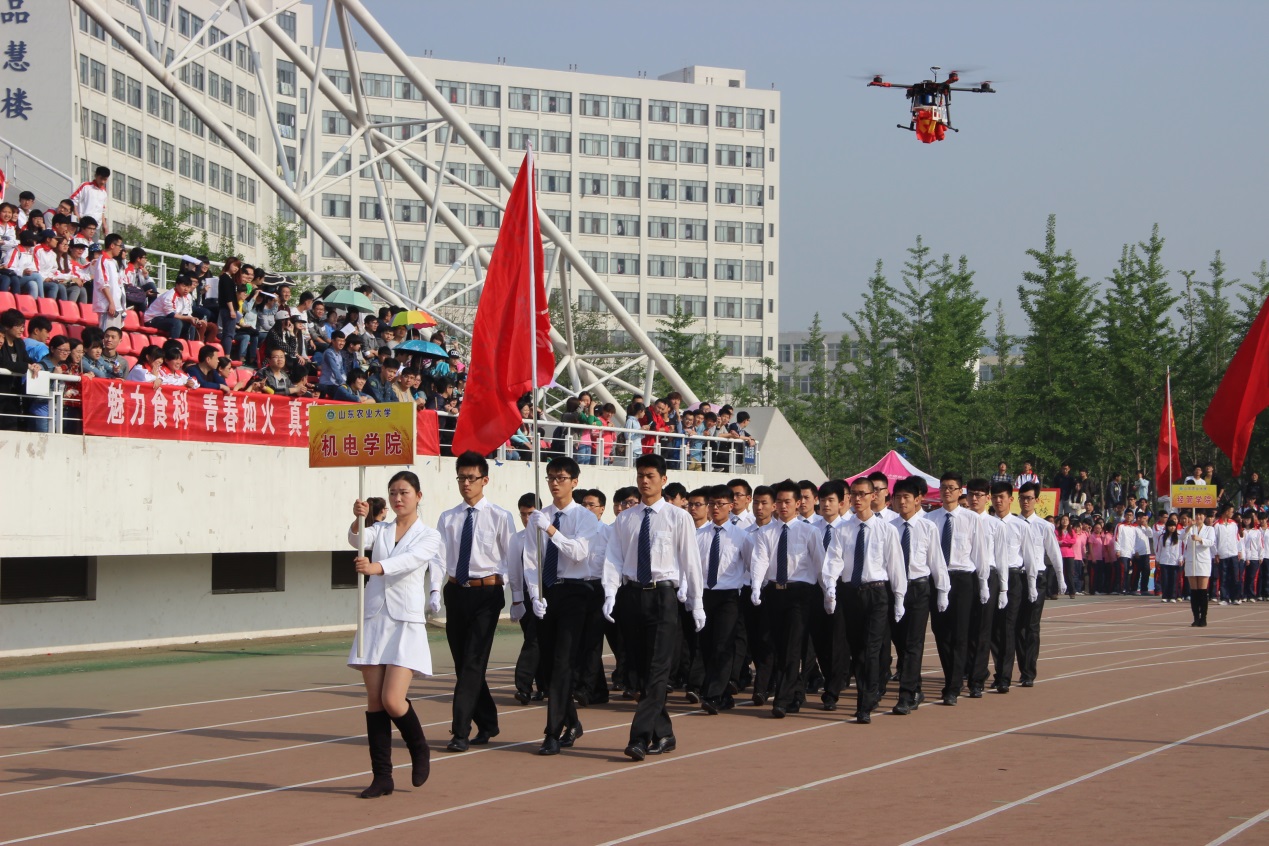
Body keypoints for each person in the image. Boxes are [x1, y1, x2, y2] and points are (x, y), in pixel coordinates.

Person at [347, 471, 443, 798]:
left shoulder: (429, 535)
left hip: (405, 621)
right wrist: (358, 521)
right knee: (375, 702)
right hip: (374, 617)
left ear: (418, 495)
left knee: (392, 699)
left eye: (404, 492)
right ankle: (382, 776)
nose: (398, 498)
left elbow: (409, 561)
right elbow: (356, 540)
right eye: (392, 493)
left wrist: (376, 568)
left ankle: (419, 748)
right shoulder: (382, 529)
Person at [601, 453, 703, 761]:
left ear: (663, 480)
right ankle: (665, 733)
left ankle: (639, 737)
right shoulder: (626, 518)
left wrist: (696, 603)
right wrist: (609, 593)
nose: (645, 481)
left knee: (659, 669)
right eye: (641, 476)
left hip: (663, 596)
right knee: (641, 672)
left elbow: (690, 562)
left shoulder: (677, 517)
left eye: (650, 476)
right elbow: (614, 559)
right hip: (632, 596)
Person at [522, 456, 601, 755]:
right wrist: (533, 594)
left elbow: (579, 553)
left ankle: (552, 733)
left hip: (574, 592)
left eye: (562, 478)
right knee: (547, 665)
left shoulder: (585, 517)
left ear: (574, 482)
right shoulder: (539, 516)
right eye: (551, 477)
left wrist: (552, 531)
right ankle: (572, 722)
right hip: (546, 592)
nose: (555, 483)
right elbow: (530, 559)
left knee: (562, 662)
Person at [437, 451, 515, 752]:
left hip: (487, 593)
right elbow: (439, 557)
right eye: (461, 478)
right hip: (456, 592)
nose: (465, 483)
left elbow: (510, 559)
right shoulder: (449, 517)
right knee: (464, 663)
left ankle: (460, 731)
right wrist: (434, 591)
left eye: (471, 478)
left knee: (472, 661)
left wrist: (513, 596)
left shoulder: (500, 516)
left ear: (485, 480)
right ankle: (489, 721)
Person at [823, 476, 906, 724]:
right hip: (851, 593)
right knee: (857, 650)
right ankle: (867, 692)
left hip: (876, 592)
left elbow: (895, 566)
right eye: (854, 494)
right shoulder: (842, 530)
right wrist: (830, 589)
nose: (858, 499)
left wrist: (899, 598)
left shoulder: (887, 530)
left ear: (873, 496)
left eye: (863, 494)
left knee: (871, 648)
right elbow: (833, 561)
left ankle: (865, 703)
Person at [747, 479, 826, 719]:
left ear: (798, 503)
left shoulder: (809, 531)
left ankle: (781, 699)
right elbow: (760, 560)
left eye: (787, 501)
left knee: (793, 647)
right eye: (779, 501)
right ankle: (795, 694)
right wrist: (756, 586)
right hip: (774, 592)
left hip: (800, 594)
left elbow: (820, 563)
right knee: (778, 648)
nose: (782, 506)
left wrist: (828, 591)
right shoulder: (765, 532)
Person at [924, 472, 989, 706]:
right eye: (943, 487)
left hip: (962, 579)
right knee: (941, 633)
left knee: (961, 633)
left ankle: (953, 685)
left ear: (960, 490)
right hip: (938, 579)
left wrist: (983, 584)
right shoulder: (930, 520)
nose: (947, 491)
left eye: (952, 487)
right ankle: (952, 675)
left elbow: (980, 554)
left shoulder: (972, 519)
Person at [694, 485, 748, 715]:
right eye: (712, 504)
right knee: (706, 645)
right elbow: (692, 567)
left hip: (728, 595)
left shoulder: (742, 536)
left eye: (721, 504)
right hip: (705, 594)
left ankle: (713, 695)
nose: (716, 509)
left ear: (731, 506)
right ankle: (723, 693)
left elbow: (750, 565)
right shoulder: (699, 536)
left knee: (723, 644)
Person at [989, 481, 1038, 694]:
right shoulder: (987, 524)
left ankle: (1004, 676)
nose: (998, 501)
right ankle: (998, 671)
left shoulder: (1021, 526)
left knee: (1008, 627)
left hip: (1014, 579)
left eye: (1002, 497)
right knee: (992, 629)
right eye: (995, 497)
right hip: (992, 578)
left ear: (1011, 499)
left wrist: (1033, 585)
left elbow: (1029, 558)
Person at [964, 478, 1009, 699]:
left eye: (979, 495)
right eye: (971, 494)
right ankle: (968, 670)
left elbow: (1001, 559)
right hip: (964, 576)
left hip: (988, 576)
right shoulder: (960, 521)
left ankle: (977, 679)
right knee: (964, 629)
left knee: (983, 630)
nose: (974, 499)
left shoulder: (995, 525)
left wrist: (1003, 589)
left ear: (987, 497)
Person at [1017, 482, 1064, 686]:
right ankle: (1021, 667)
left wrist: (1061, 578)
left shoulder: (1044, 526)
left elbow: (1054, 553)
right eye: (1022, 498)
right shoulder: (1011, 524)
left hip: (1038, 577)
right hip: (1016, 578)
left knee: (1032, 625)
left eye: (1029, 498)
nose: (1026, 501)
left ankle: (1029, 672)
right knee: (1017, 626)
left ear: (1036, 500)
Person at [508, 493, 544, 705]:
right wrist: (516, 600)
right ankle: (538, 685)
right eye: (523, 514)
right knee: (533, 641)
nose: (527, 519)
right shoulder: (517, 538)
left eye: (531, 514)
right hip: (527, 598)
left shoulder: (549, 534)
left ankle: (524, 685)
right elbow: (514, 570)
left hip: (548, 596)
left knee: (538, 641)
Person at [1185, 511, 1216, 626]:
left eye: (1201, 515)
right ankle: (1195, 617)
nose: (1198, 517)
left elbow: (1211, 542)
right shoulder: (1190, 528)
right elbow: (1181, 537)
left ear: (1205, 517)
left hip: (1203, 562)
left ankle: (1203, 617)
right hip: (1191, 561)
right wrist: (1189, 527)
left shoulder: (1209, 529)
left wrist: (1199, 539)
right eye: (1197, 515)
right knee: (1194, 592)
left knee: (1202, 591)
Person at [1213, 505, 1242, 605]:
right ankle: (1224, 598)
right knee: (1223, 576)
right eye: (1231, 511)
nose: (1232, 513)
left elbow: (1237, 538)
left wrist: (1239, 550)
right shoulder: (1216, 525)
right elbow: (1214, 541)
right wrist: (1216, 553)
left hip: (1233, 553)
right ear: (1226, 511)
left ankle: (1235, 597)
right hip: (1222, 554)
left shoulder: (1233, 524)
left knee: (1235, 576)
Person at [1156, 517, 1183, 603]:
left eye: (1174, 526)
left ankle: (1173, 596)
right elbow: (1158, 549)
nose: (1172, 528)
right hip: (1164, 561)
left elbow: (1181, 549)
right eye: (1170, 526)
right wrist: (1157, 559)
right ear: (1167, 527)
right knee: (1165, 579)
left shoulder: (1179, 537)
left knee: (1174, 579)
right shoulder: (1162, 537)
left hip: (1174, 561)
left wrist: (1181, 559)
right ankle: (1165, 596)